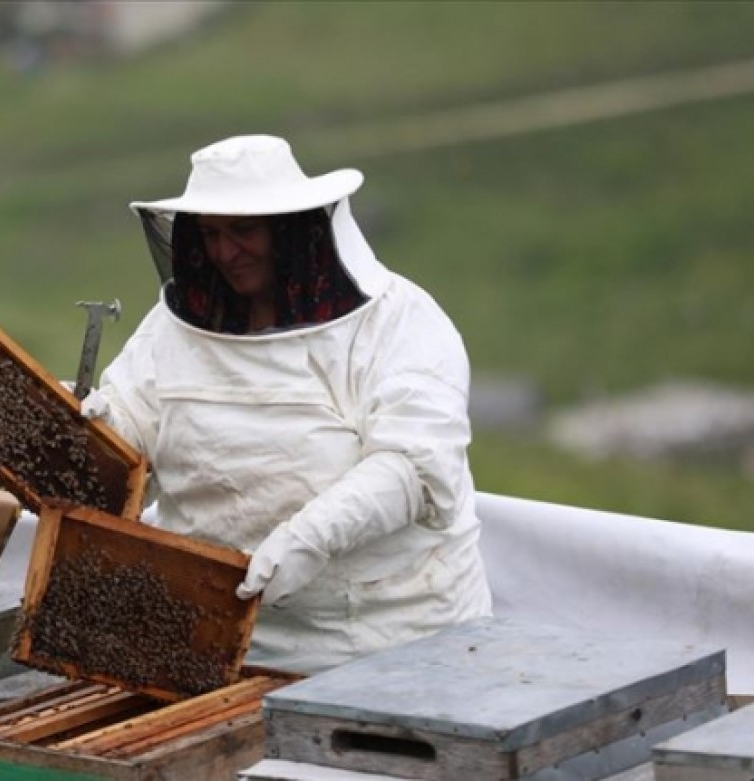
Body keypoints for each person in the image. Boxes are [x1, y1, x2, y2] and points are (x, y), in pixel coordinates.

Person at [81, 134, 493, 674]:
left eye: (244, 231)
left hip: (391, 644)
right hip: (219, 644)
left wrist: (307, 540)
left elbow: (414, 469)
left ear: (293, 228)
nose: (225, 252)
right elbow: (136, 429)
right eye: (210, 234)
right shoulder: (172, 328)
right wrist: (101, 425)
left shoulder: (400, 322)